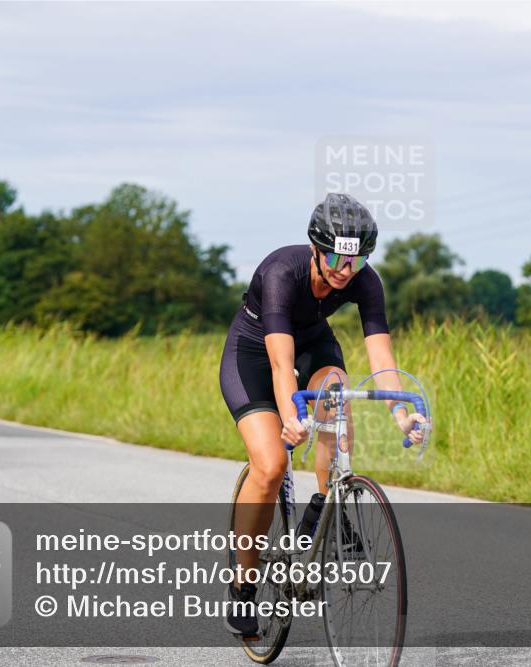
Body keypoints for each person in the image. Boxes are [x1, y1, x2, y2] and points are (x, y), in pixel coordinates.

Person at [218, 192, 426, 637]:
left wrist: (400, 414)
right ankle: (242, 585)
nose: (344, 270)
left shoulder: (364, 280)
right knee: (271, 465)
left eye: (357, 261)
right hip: (254, 354)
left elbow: (381, 357)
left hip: (313, 343)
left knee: (335, 393)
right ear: (315, 247)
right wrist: (291, 417)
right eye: (335, 257)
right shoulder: (281, 272)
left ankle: (328, 502)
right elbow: (279, 362)